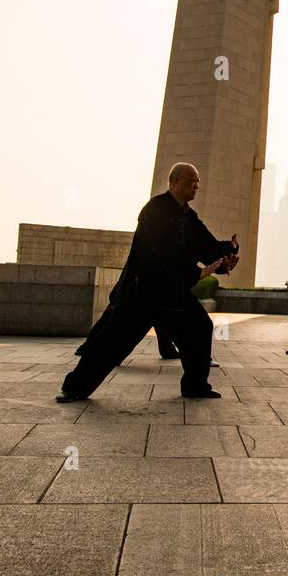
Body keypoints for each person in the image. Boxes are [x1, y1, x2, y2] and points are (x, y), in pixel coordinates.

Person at [59, 163, 238, 402]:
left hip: (174, 294)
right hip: (143, 293)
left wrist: (227, 254)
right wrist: (197, 273)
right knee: (112, 343)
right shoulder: (154, 211)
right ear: (174, 182)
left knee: (200, 328)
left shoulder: (188, 216)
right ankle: (75, 388)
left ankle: (195, 386)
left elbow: (206, 246)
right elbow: (164, 253)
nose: (195, 186)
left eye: (198, 182)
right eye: (190, 181)